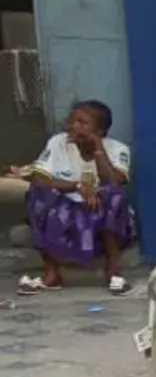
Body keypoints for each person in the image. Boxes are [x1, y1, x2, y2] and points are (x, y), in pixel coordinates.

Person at [9, 100, 136, 296]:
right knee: (37, 194)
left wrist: (97, 148)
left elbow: (114, 182)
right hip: (65, 214)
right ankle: (51, 274)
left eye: (82, 123)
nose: (73, 126)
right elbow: (40, 179)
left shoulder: (118, 149)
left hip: (99, 215)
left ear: (100, 130)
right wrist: (77, 186)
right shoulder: (58, 143)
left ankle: (113, 271)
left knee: (114, 196)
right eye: (72, 121)